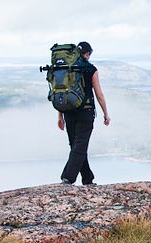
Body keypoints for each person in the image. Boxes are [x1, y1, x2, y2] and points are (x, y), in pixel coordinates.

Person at [58, 41, 111, 185]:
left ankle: (87, 179)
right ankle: (68, 177)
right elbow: (99, 94)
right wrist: (106, 113)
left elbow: (61, 91)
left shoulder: (67, 68)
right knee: (80, 146)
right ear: (87, 53)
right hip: (85, 112)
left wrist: (60, 116)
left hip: (69, 112)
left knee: (76, 146)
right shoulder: (90, 69)